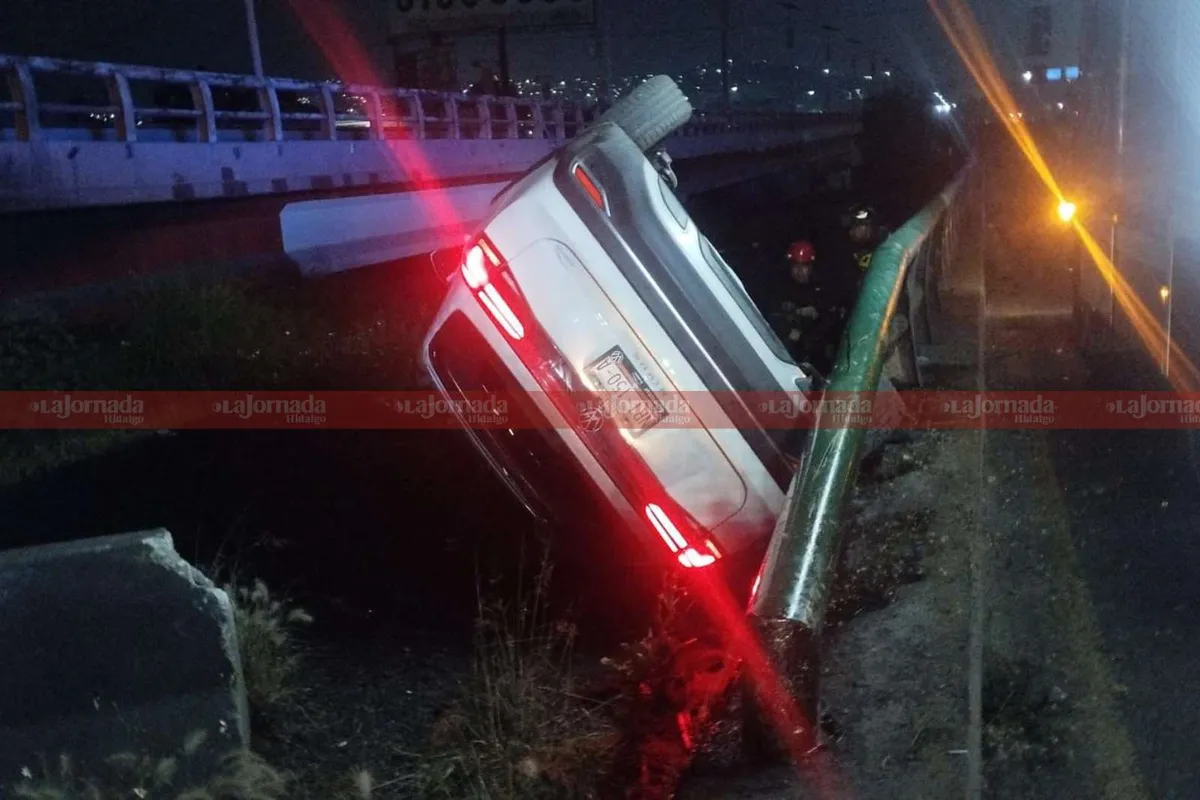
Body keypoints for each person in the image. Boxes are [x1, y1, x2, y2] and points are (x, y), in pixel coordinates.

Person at [768, 240, 851, 373]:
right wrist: (789, 330)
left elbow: (835, 309)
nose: (799, 271)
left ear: (811, 266)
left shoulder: (822, 285)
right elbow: (771, 315)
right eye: (795, 266)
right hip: (794, 344)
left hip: (819, 343)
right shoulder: (781, 287)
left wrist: (817, 309)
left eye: (804, 267)